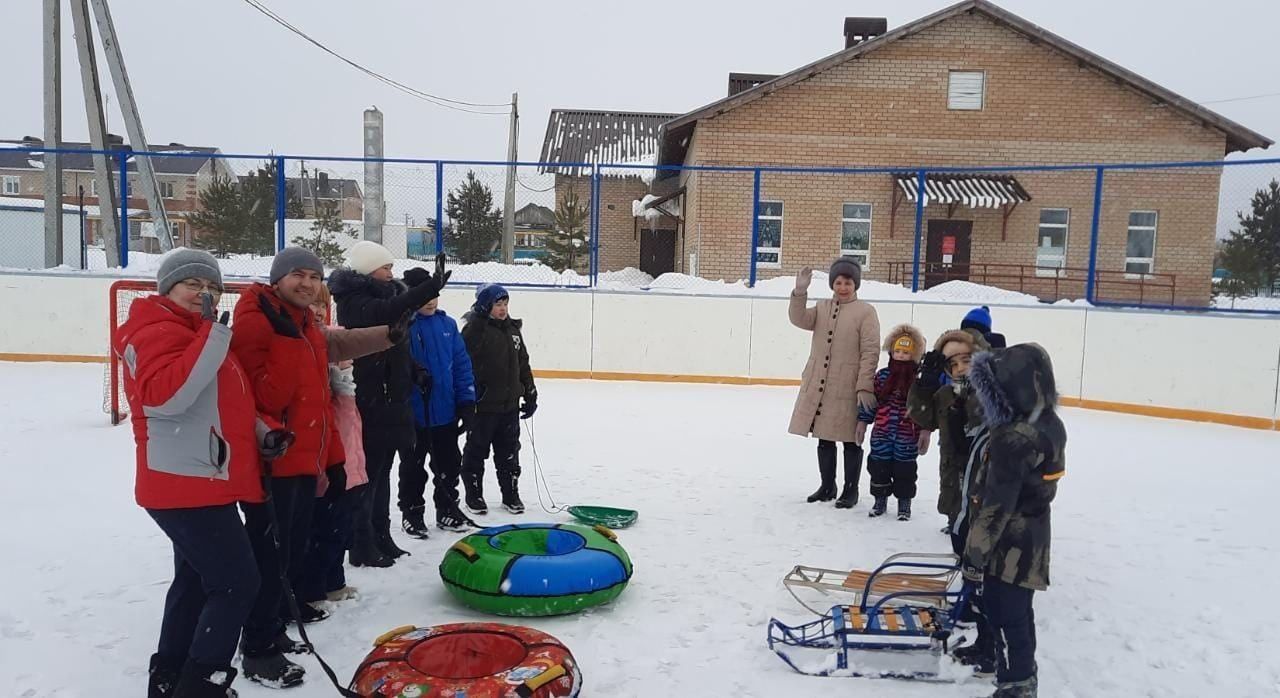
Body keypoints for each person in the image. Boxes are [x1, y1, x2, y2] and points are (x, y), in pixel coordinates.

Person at [229, 247, 397, 688]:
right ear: (277, 278)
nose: (307, 283)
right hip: (272, 463)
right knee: (269, 556)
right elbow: (265, 399)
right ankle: (258, 646)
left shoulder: (302, 322)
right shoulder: (258, 320)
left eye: (313, 276)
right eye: (298, 275)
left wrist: (335, 459)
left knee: (289, 553)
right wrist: (286, 340)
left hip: (305, 461)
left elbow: (321, 398)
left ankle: (272, 628)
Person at [114, 248, 273, 698]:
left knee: (194, 581)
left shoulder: (195, 332)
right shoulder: (158, 330)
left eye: (213, 288)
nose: (204, 294)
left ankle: (169, 677)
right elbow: (165, 397)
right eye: (193, 285)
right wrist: (210, 336)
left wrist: (264, 433)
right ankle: (202, 686)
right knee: (237, 584)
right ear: (167, 289)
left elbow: (223, 403)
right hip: (184, 485)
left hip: (204, 478)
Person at [328, 242, 446, 557]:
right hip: (370, 400)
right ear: (368, 268)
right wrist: (425, 290)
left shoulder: (389, 297)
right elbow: (384, 315)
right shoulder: (354, 302)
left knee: (384, 473)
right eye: (386, 267)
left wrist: (414, 371)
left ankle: (382, 535)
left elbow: (397, 347)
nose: (391, 273)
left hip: (392, 400)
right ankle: (362, 542)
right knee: (368, 477)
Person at [963, 343, 1065, 698]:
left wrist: (974, 555)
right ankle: (1015, 672)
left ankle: (1017, 684)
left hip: (1009, 543)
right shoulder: (1049, 423)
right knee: (1018, 611)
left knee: (1006, 611)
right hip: (1033, 534)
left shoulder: (1014, 438)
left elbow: (997, 505)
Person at [298, 284, 379, 608]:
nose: (317, 311)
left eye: (322, 305)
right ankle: (314, 588)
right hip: (323, 456)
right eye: (312, 305)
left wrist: (344, 382)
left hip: (348, 449)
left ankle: (333, 581)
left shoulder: (335, 340)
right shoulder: (303, 345)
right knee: (323, 529)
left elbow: (347, 408)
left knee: (341, 526)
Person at [787, 257, 880, 508]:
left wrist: (864, 385)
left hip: (848, 386)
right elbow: (798, 319)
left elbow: (870, 351)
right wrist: (800, 291)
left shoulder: (866, 312)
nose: (842, 287)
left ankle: (851, 490)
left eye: (848, 282)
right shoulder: (822, 308)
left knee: (851, 439)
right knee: (824, 437)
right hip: (821, 384)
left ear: (855, 284)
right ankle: (827, 486)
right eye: (838, 282)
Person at [402, 276, 478, 533]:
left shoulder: (448, 324)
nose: (431, 301)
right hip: (414, 414)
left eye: (434, 295)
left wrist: (466, 401)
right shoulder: (404, 327)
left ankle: (446, 508)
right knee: (413, 468)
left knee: (448, 464)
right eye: (424, 296)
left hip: (445, 412)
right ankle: (412, 512)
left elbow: (461, 364)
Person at [461, 283, 537, 515]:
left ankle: (510, 494)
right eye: (497, 304)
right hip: (483, 407)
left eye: (505, 304)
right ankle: (474, 494)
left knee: (509, 452)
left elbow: (523, 363)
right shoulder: (475, 331)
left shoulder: (513, 331)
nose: (502, 309)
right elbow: (464, 364)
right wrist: (470, 396)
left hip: (510, 405)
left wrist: (530, 391)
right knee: (476, 451)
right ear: (485, 306)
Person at [908, 328, 990, 533]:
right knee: (958, 520)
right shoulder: (946, 394)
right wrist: (924, 384)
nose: (960, 368)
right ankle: (955, 521)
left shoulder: (990, 393)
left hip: (984, 479)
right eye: (953, 364)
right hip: (954, 474)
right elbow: (923, 415)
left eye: (966, 360)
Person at [858, 323, 929, 520]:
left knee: (905, 470)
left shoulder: (918, 380)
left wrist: (925, 431)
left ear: (914, 354)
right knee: (878, 467)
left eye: (906, 352)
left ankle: (904, 504)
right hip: (882, 432)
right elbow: (871, 402)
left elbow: (925, 408)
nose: (900, 355)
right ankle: (880, 500)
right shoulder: (882, 376)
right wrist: (863, 422)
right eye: (897, 351)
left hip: (907, 435)